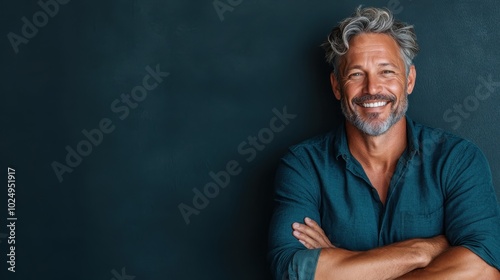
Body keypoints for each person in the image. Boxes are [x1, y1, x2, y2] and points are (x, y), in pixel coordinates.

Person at [268, 6, 500, 280]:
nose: (372, 89)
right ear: (336, 86)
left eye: (387, 71)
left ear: (409, 80)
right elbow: (292, 270)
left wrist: (342, 267)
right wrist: (422, 251)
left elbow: (483, 269)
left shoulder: (457, 159)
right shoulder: (303, 166)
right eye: (356, 74)